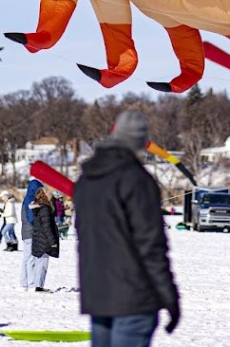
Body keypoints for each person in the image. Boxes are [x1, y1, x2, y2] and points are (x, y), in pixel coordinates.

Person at [75, 110, 179, 347]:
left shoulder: (86, 179)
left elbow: (85, 237)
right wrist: (169, 295)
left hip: (97, 294)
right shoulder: (137, 179)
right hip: (134, 296)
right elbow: (151, 245)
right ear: (142, 141)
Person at [30, 187, 60, 293]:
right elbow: (47, 227)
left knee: (40, 262)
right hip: (44, 240)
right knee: (43, 264)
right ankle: (39, 286)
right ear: (44, 195)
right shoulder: (45, 208)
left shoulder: (38, 207)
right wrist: (53, 242)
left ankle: (38, 285)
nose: (50, 194)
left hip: (39, 238)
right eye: (47, 192)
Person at [20, 179, 43, 289]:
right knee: (32, 259)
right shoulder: (30, 200)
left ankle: (24, 283)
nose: (40, 191)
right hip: (31, 232)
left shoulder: (27, 199)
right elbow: (31, 217)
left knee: (26, 258)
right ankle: (31, 283)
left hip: (26, 232)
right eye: (39, 189)